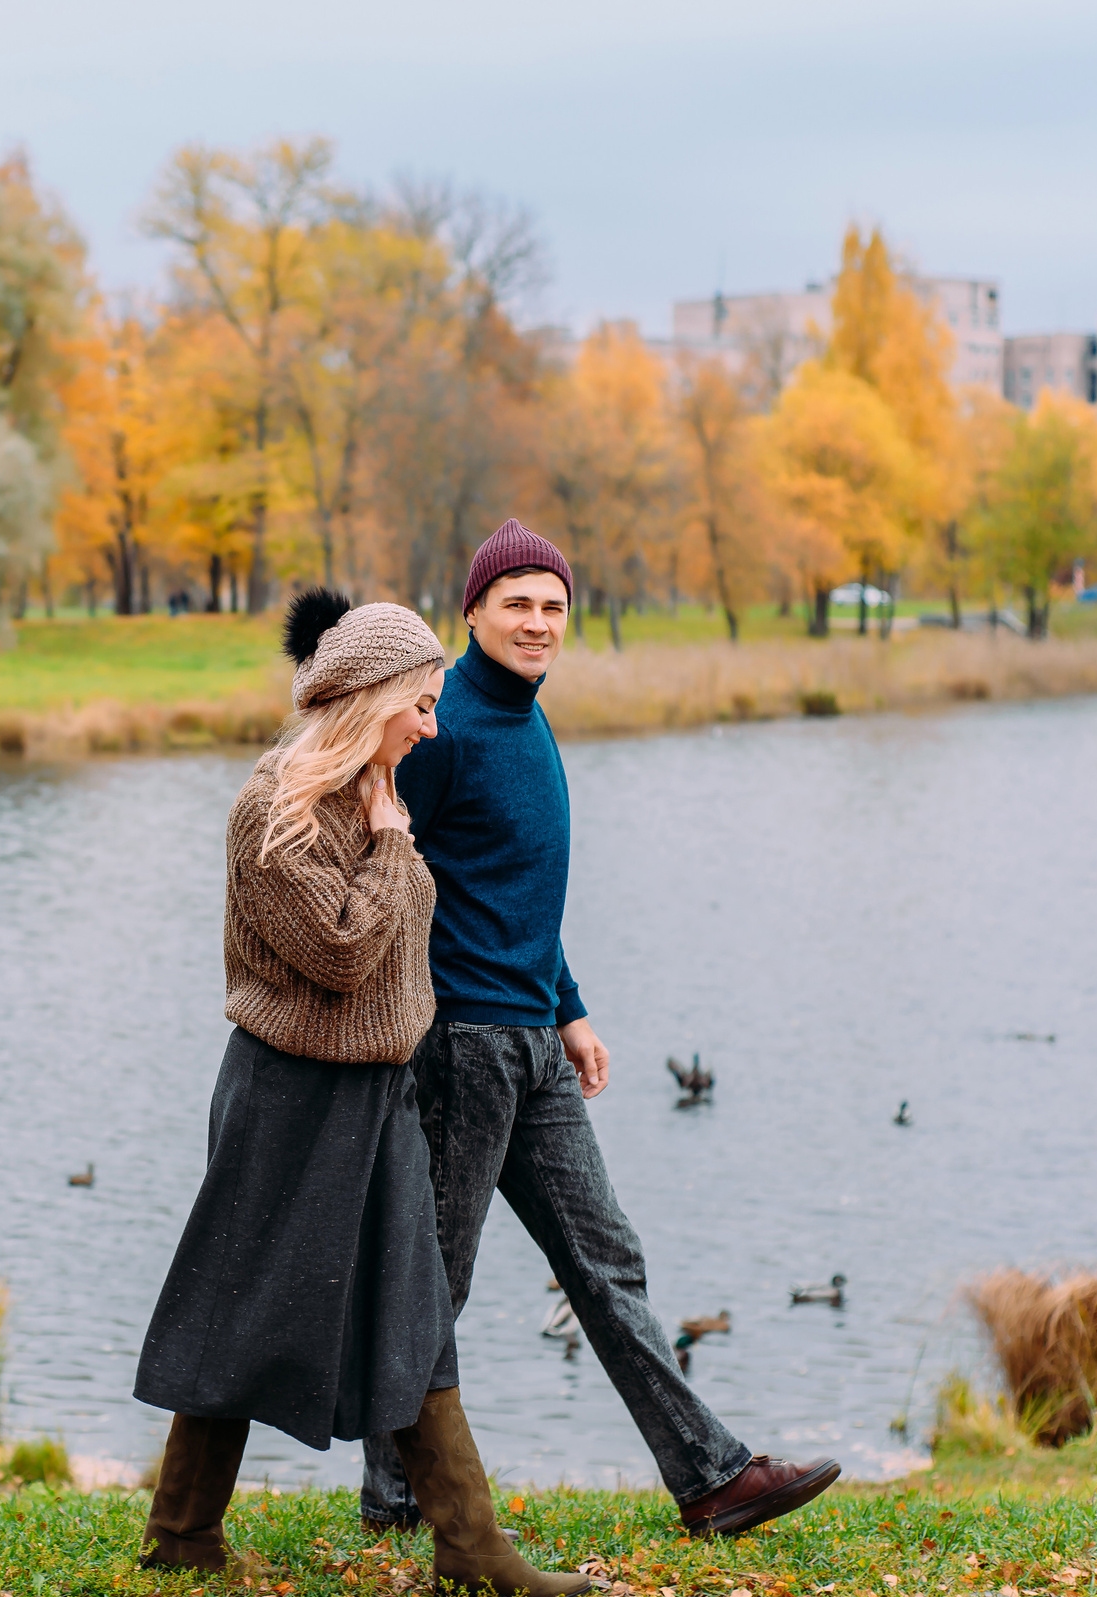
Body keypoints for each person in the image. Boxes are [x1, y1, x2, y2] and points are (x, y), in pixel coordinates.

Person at [358, 519, 841, 1540]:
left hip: (531, 1042)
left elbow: (514, 894)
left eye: (552, 605)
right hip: (463, 1050)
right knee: (432, 1278)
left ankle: (709, 1477)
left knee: (606, 1257)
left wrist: (569, 1006)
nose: (537, 621)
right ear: (472, 613)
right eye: (516, 602)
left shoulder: (529, 723)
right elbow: (385, 866)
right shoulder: (442, 732)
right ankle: (395, 1493)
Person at [135, 589, 592, 1597]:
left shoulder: (370, 791)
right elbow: (341, 952)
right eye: (420, 704)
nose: (432, 725)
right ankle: (180, 1533)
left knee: (412, 1301)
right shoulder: (277, 807)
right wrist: (393, 843)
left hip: (376, 1090)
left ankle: (470, 1545)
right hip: (286, 1093)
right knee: (239, 1303)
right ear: (370, 696)